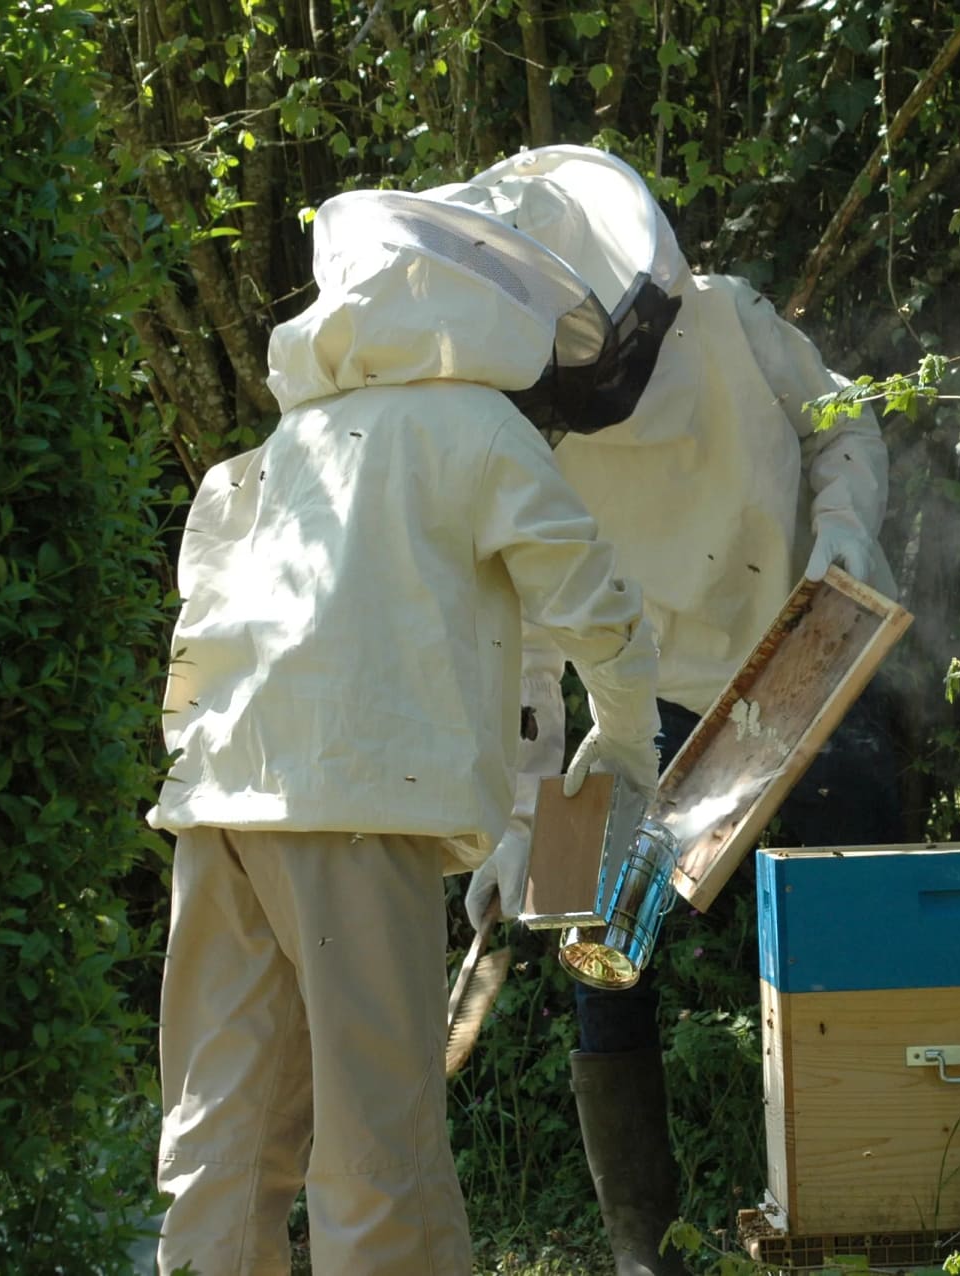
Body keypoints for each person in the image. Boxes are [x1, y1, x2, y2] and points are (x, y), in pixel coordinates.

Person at [147, 186, 665, 1276]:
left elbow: (198, 633)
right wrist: (624, 744)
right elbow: (592, 606)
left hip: (218, 813)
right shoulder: (468, 426)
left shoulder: (290, 444)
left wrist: (511, 823)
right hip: (349, 818)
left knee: (223, 1143)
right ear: (480, 307)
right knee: (381, 1157)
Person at [437, 146, 902, 1276]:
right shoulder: (517, 431)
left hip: (796, 659)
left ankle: (874, 1191)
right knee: (600, 947)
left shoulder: (732, 320)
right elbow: (527, 651)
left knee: (858, 891)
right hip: (628, 701)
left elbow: (844, 422)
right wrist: (512, 829)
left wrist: (842, 527)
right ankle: (642, 1250)